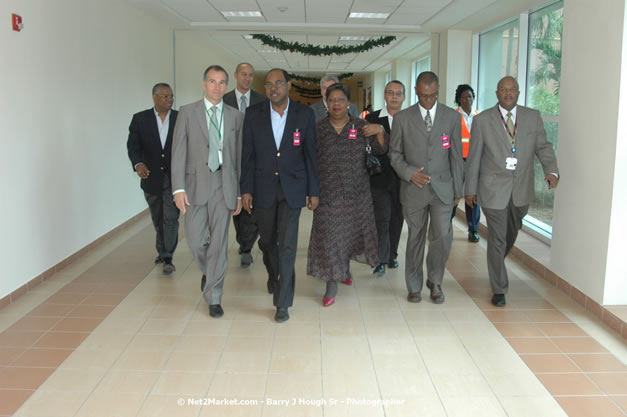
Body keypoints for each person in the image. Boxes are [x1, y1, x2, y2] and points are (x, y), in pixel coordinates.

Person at [465, 76, 559, 307]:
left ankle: (495, 262)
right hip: (492, 188)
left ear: (518, 93)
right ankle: (499, 289)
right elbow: (474, 156)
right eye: (503, 90)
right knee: (497, 237)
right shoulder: (483, 120)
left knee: (511, 232)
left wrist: (552, 171)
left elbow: (543, 147)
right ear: (497, 93)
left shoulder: (532, 117)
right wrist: (470, 189)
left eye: (512, 90)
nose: (508, 93)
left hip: (521, 188)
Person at [240, 68, 320, 323]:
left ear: (288, 86)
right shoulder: (253, 115)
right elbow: (248, 156)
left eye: (279, 83)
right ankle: (274, 274)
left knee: (287, 246)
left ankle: (282, 302)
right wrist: (246, 189)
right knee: (266, 242)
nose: (273, 88)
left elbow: (311, 155)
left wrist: (313, 190)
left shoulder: (304, 115)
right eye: (268, 85)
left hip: (292, 189)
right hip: (262, 188)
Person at [171, 65, 244, 318]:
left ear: (227, 85)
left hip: (224, 184)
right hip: (194, 185)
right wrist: (178, 188)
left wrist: (238, 192)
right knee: (193, 239)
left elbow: (239, 157)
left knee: (220, 244)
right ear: (204, 84)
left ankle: (214, 296)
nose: (217, 87)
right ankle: (210, 271)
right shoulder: (187, 112)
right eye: (212, 81)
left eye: (222, 82)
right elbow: (178, 152)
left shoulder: (235, 116)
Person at [389, 71, 463, 304]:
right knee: (415, 237)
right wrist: (410, 174)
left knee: (441, 235)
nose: (428, 101)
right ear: (416, 92)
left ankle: (435, 281)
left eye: (432, 96)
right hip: (414, 190)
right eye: (423, 96)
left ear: (438, 90)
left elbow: (456, 155)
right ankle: (413, 285)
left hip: (442, 188)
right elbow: (394, 154)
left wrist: (458, 191)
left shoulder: (451, 117)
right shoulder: (403, 118)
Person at [307, 83, 384, 307]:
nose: (337, 104)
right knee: (330, 238)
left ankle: (344, 268)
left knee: (349, 236)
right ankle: (333, 281)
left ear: (348, 103)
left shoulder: (361, 126)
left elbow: (380, 150)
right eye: (332, 100)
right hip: (327, 195)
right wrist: (311, 192)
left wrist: (379, 131)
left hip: (356, 195)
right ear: (326, 103)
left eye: (341, 100)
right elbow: (310, 162)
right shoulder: (318, 129)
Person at [127, 83, 179, 275]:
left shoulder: (179, 119)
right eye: (165, 96)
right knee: (159, 218)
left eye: (171, 96)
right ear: (154, 97)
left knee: (171, 218)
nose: (169, 100)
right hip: (151, 178)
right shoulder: (140, 119)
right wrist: (138, 163)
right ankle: (162, 249)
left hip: (174, 178)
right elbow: (133, 146)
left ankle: (168, 257)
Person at [223, 63, 267, 266]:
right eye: (243, 74)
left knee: (252, 204)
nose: (247, 78)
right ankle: (243, 240)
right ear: (235, 76)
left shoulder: (262, 101)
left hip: (254, 160)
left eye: (251, 75)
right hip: (229, 160)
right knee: (235, 203)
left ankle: (247, 246)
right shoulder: (224, 100)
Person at [365, 80, 405, 276]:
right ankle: (380, 258)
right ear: (385, 95)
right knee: (382, 218)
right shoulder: (372, 118)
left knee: (397, 217)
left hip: (403, 179)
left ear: (404, 97)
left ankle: (393, 255)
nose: (394, 96)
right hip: (379, 177)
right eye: (391, 92)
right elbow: (367, 146)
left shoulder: (410, 118)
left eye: (398, 93)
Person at [451, 84, 481, 242]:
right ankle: (446, 225)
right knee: (454, 194)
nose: (467, 99)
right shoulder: (453, 116)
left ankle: (473, 229)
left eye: (469, 96)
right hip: (457, 161)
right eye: (463, 97)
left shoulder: (479, 116)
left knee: (473, 196)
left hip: (474, 162)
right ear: (458, 99)